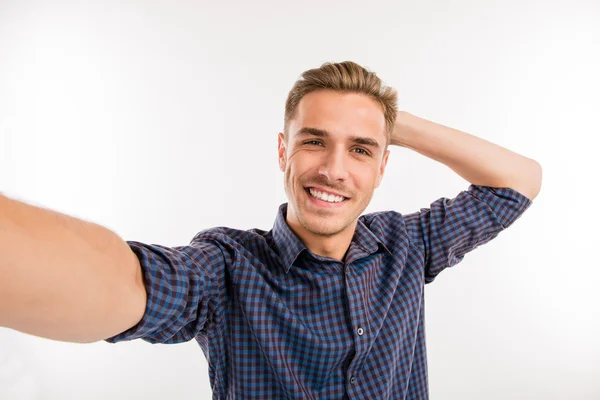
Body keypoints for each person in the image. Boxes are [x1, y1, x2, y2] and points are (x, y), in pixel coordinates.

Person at [0, 61, 542, 399]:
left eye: (360, 149)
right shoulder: (227, 267)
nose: (333, 168)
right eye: (313, 141)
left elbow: (519, 181)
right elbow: (127, 284)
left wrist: (387, 119)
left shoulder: (408, 244)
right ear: (283, 151)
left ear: (383, 166)